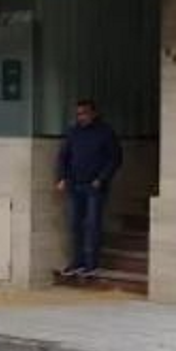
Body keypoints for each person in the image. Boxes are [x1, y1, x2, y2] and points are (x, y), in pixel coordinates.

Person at [55, 99, 122, 277]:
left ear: (94, 113)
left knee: (92, 224)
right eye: (78, 114)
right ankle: (76, 261)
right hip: (74, 184)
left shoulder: (105, 132)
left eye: (84, 113)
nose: (81, 117)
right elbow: (63, 156)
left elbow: (114, 158)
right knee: (74, 224)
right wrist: (61, 177)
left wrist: (101, 179)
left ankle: (91, 263)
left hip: (94, 186)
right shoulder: (73, 132)